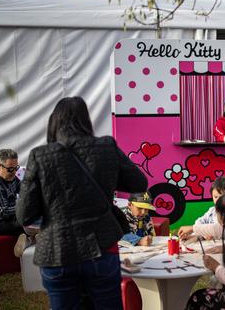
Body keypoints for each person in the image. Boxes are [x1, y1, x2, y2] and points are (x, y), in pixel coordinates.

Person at [16, 96, 148, 310]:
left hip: (57, 251)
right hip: (102, 246)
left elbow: (24, 215)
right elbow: (139, 182)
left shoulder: (40, 155)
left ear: (54, 121)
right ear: (86, 120)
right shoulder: (106, 146)